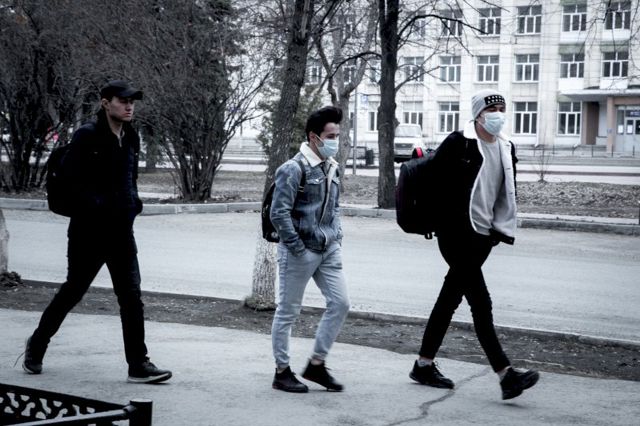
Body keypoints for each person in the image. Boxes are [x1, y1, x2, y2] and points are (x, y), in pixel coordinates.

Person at [21, 80, 172, 384]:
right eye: (122, 101)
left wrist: (133, 205)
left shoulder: (130, 136)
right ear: (105, 103)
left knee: (131, 298)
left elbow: (130, 178)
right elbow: (71, 182)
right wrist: (100, 206)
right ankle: (36, 344)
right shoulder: (87, 135)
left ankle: (138, 364)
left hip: (122, 233)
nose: (129, 106)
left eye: (132, 102)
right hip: (88, 233)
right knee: (72, 292)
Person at [409, 89, 539, 400]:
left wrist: (496, 231)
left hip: (483, 237)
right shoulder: (459, 142)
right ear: (478, 114)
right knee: (481, 303)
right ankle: (506, 375)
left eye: (501, 108)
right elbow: (432, 184)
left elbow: (505, 191)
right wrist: (438, 222)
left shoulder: (506, 147)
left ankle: (423, 365)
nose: (498, 114)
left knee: (449, 298)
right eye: (491, 109)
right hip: (455, 235)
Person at [269, 106, 350, 393]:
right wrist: (297, 248)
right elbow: (278, 213)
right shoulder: (293, 168)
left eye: (337, 135)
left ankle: (317, 364)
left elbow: (334, 206)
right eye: (331, 136)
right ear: (314, 137)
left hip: (328, 249)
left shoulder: (331, 166)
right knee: (288, 312)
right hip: (300, 251)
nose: (336, 141)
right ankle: (282, 372)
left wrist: (336, 235)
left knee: (340, 303)